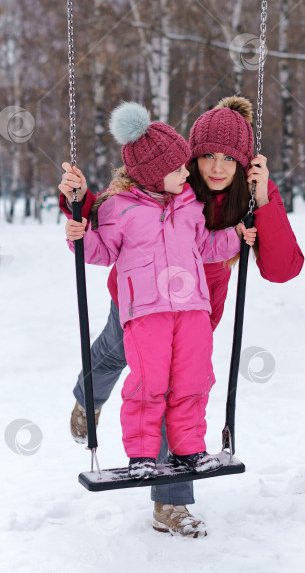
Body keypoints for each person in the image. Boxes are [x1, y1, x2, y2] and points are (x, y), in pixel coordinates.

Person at [59, 95, 304, 537]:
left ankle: (171, 504)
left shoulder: (248, 190)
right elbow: (118, 211)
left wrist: (261, 202)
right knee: (114, 358)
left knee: (178, 386)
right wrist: (77, 206)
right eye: (206, 155)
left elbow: (281, 266)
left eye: (229, 158)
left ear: (244, 161)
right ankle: (88, 398)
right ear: (189, 156)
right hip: (138, 302)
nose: (215, 167)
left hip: (195, 307)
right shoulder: (175, 178)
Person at [64, 101, 257, 480]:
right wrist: (81, 237)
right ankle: (142, 454)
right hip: (146, 311)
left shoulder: (188, 205)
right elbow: (103, 252)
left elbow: (204, 246)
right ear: (155, 173)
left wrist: (235, 238)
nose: (188, 173)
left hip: (192, 309)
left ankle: (189, 449)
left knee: (193, 380)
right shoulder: (120, 208)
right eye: (179, 167)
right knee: (149, 384)